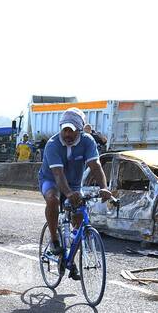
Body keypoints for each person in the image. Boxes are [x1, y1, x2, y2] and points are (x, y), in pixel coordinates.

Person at [40, 108, 111, 268]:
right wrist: (69, 193)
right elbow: (58, 174)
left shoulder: (88, 141)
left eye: (71, 131)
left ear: (80, 130)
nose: (67, 135)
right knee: (53, 199)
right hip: (51, 179)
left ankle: (70, 261)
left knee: (79, 223)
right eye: (64, 130)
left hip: (74, 182)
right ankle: (54, 239)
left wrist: (104, 188)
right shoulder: (52, 145)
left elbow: (95, 166)